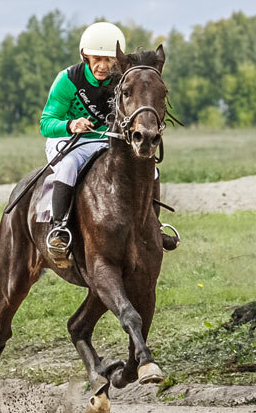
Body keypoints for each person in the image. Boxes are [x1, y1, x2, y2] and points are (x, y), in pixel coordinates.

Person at [39, 21, 178, 267]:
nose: (103, 67)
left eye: (108, 61)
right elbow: (46, 123)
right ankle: (59, 230)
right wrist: (71, 124)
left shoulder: (122, 81)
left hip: (105, 141)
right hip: (68, 140)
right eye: (96, 60)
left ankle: (154, 226)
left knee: (151, 169)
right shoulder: (68, 80)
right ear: (85, 56)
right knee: (69, 165)